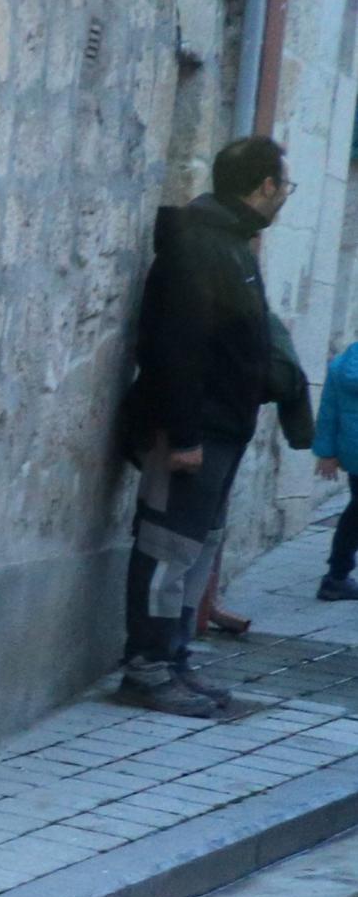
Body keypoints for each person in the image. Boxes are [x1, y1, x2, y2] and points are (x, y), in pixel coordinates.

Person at [118, 136, 312, 713]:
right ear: (266, 187)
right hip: (193, 434)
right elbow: (174, 347)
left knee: (194, 549)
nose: (284, 199)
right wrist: (183, 437)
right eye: (284, 186)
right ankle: (147, 669)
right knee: (165, 548)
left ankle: (172, 658)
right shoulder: (200, 246)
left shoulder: (229, 244)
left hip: (222, 431)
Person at [312, 324, 358, 603]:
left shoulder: (341, 365)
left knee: (355, 511)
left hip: (353, 453)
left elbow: (328, 411)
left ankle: (337, 576)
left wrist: (326, 453)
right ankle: (336, 578)